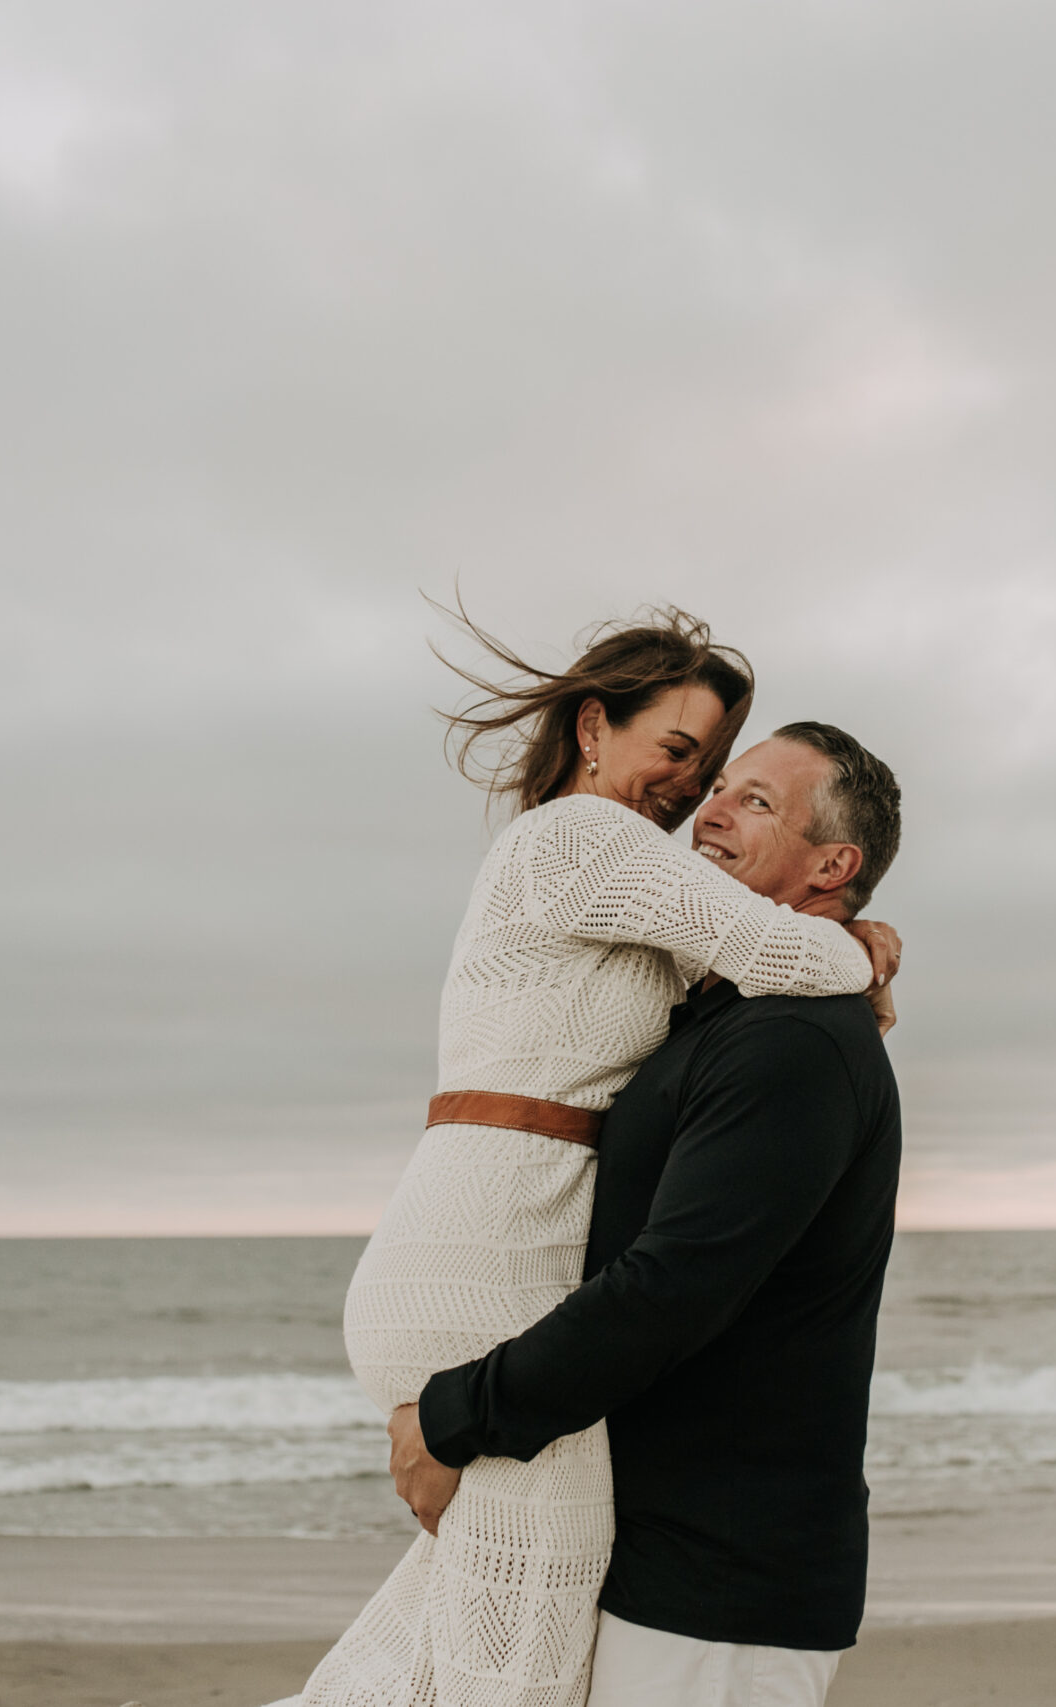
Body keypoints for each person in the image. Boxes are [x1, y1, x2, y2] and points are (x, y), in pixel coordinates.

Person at [274, 612, 901, 1707]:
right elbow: (775, 946)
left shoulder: (687, 956)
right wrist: (859, 943)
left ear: (830, 859)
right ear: (594, 728)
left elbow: (754, 961)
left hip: (485, 1254)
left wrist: (853, 942)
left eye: (727, 781)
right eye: (685, 758)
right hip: (484, 1260)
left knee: (458, 1632)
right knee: (516, 1653)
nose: (695, 795)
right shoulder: (579, 842)